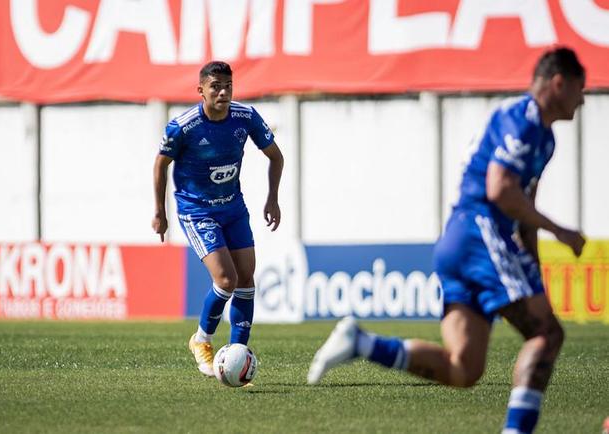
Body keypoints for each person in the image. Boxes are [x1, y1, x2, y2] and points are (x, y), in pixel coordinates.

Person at [307, 47, 586, 434]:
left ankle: (362, 344)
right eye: (580, 89)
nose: (583, 99)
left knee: (463, 369)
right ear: (560, 83)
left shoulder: (544, 138)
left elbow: (525, 207)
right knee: (547, 334)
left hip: (459, 241)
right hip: (480, 234)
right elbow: (500, 189)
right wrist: (562, 231)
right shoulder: (522, 120)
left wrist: (534, 268)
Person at [152, 61, 284, 377]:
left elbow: (276, 156)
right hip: (197, 211)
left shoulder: (246, 117)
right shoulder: (183, 127)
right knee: (226, 280)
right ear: (201, 90)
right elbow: (160, 165)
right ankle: (201, 339)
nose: (223, 92)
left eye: (228, 85)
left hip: (233, 208)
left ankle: (238, 358)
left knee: (246, 279)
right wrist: (160, 211)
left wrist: (273, 198)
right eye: (215, 86)